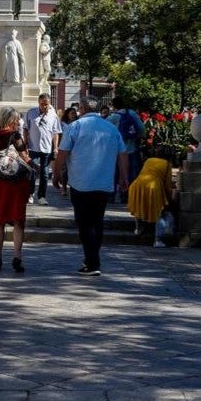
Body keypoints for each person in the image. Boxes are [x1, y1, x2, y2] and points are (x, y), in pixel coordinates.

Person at [52, 97, 127, 277]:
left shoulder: (75, 127)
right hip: (104, 182)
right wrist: (124, 177)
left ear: (83, 109)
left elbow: (62, 153)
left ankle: (93, 262)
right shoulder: (111, 128)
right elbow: (123, 154)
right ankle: (92, 258)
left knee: (84, 223)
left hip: (81, 182)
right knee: (97, 221)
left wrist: (56, 174)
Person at [0, 108, 30, 272]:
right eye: (17, 119)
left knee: (0, 220)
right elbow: (25, 158)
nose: (19, 122)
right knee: (18, 220)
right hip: (16, 183)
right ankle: (17, 257)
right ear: (11, 120)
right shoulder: (16, 136)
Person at [23, 93, 62, 205]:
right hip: (33, 147)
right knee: (32, 172)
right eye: (42, 104)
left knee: (45, 174)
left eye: (47, 104)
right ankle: (30, 194)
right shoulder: (31, 113)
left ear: (49, 103)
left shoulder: (53, 116)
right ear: (38, 103)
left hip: (46, 148)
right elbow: (25, 128)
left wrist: (55, 148)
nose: (44, 106)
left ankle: (42, 196)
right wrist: (25, 142)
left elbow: (55, 133)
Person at [128, 157, 176, 247]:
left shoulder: (149, 160)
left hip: (138, 184)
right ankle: (157, 240)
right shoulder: (167, 164)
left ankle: (138, 229)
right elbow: (168, 185)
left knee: (139, 207)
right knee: (159, 213)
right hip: (153, 187)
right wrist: (169, 198)